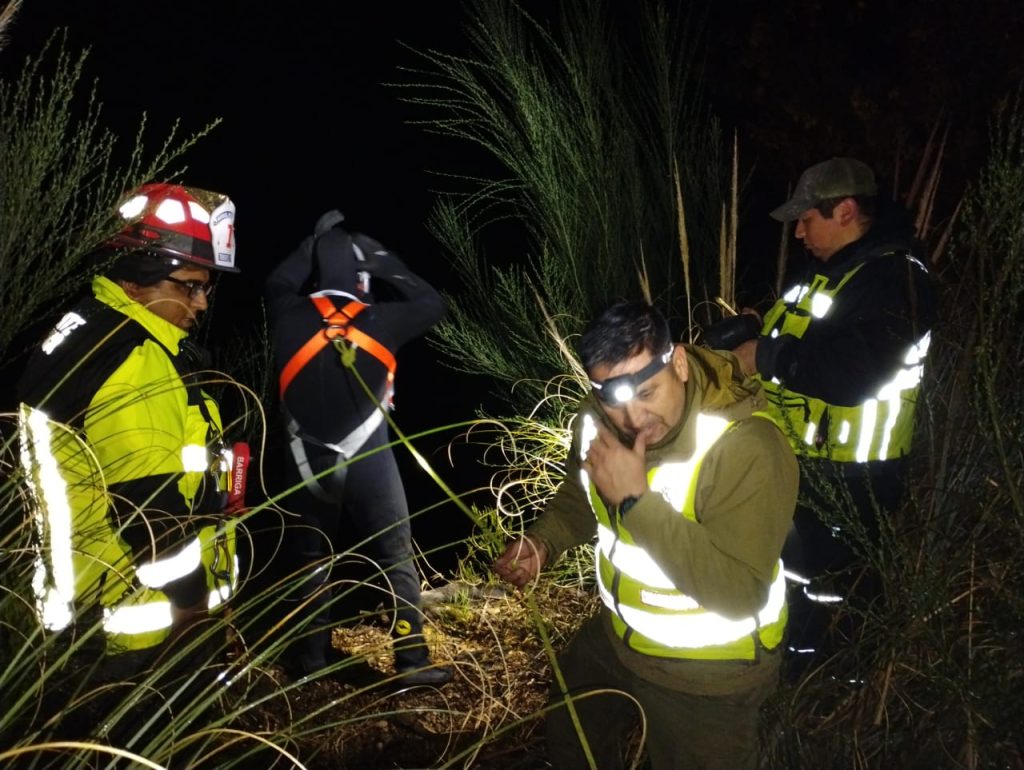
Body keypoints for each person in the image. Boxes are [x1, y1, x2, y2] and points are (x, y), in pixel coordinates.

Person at [494, 302, 798, 770]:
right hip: (620, 637)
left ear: (679, 364)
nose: (634, 418)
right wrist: (544, 541)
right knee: (572, 721)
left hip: (710, 673)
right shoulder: (597, 421)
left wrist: (635, 501)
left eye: (647, 392)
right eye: (614, 400)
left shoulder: (747, 445)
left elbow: (739, 594)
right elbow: (580, 497)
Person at [17, 182, 244, 668]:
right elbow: (152, 511)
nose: (201, 303)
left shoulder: (88, 326)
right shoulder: (135, 358)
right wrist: (193, 611)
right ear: (137, 280)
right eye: (189, 286)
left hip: (82, 609)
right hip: (138, 629)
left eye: (206, 287)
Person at [728, 157, 937, 667]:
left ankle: (843, 683)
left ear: (844, 211)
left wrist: (764, 356)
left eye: (806, 219)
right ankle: (794, 671)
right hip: (807, 462)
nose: (799, 232)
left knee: (840, 594)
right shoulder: (831, 272)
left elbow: (853, 372)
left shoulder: (894, 278)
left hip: (856, 476)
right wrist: (756, 326)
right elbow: (801, 333)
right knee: (796, 578)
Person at [265, 210, 451, 687]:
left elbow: (279, 280)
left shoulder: (285, 312)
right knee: (395, 557)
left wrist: (314, 244)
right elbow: (431, 302)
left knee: (311, 558)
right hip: (368, 462)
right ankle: (411, 660)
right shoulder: (382, 319)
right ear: (362, 279)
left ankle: (311, 657)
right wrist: (382, 259)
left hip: (304, 464)